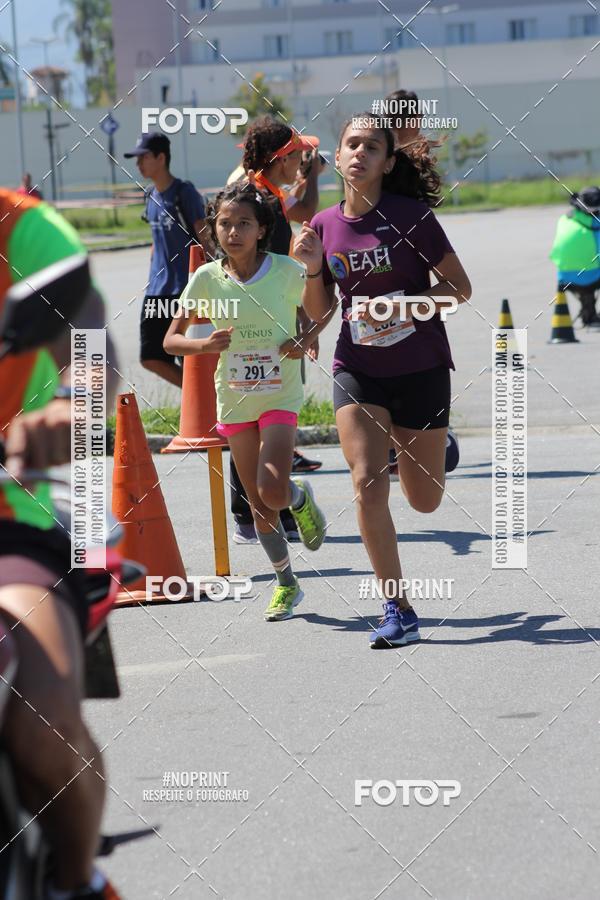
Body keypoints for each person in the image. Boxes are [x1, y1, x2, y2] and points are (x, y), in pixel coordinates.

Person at [294, 113, 472, 649]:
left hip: (421, 368)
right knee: (368, 483)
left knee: (425, 502)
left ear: (388, 162)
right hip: (358, 369)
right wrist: (308, 270)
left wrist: (407, 305)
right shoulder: (323, 226)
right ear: (339, 155)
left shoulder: (412, 217)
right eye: (351, 144)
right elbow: (321, 310)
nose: (359, 153)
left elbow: (459, 289)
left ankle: (432, 450)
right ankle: (397, 606)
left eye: (372, 146)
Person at [0, 187, 121, 898]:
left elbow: (89, 340)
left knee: (38, 718)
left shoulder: (24, 228)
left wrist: (70, 403)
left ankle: (79, 882)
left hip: (17, 516)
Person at [164, 182, 327, 621]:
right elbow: (171, 339)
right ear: (212, 229)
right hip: (234, 397)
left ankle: (297, 497)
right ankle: (287, 585)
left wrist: (305, 338)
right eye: (224, 223)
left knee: (272, 487)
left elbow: (323, 309)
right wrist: (204, 346)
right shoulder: (205, 279)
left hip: (280, 392)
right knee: (257, 503)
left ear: (261, 230)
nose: (233, 232)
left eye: (243, 224)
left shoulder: (286, 271)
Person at [229, 118, 326, 544]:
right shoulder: (258, 201)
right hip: (264, 328)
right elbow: (275, 272)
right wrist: (305, 322)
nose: (301, 160)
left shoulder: (263, 193)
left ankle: (258, 511)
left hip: (262, 323)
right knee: (259, 418)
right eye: (296, 154)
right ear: (279, 159)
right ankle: (272, 508)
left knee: (254, 414)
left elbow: (298, 222)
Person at [385, 89, 459, 477]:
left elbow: (455, 288)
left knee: (413, 332)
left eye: (408, 116)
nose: (406, 122)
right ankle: (398, 438)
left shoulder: (410, 155)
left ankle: (431, 432)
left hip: (411, 256)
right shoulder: (378, 144)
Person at [124, 131, 214, 387]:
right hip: (156, 291)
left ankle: (206, 408)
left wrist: (211, 280)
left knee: (190, 357)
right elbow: (156, 240)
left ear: (161, 158)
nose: (138, 164)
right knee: (151, 356)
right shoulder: (150, 195)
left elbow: (204, 236)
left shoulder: (183, 192)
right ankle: (199, 399)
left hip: (184, 291)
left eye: (143, 157)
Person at [550, 185, 600, 326]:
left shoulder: (566, 218)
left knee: (587, 266)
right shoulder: (595, 224)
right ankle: (589, 311)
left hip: (564, 278)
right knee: (591, 268)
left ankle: (589, 311)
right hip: (590, 277)